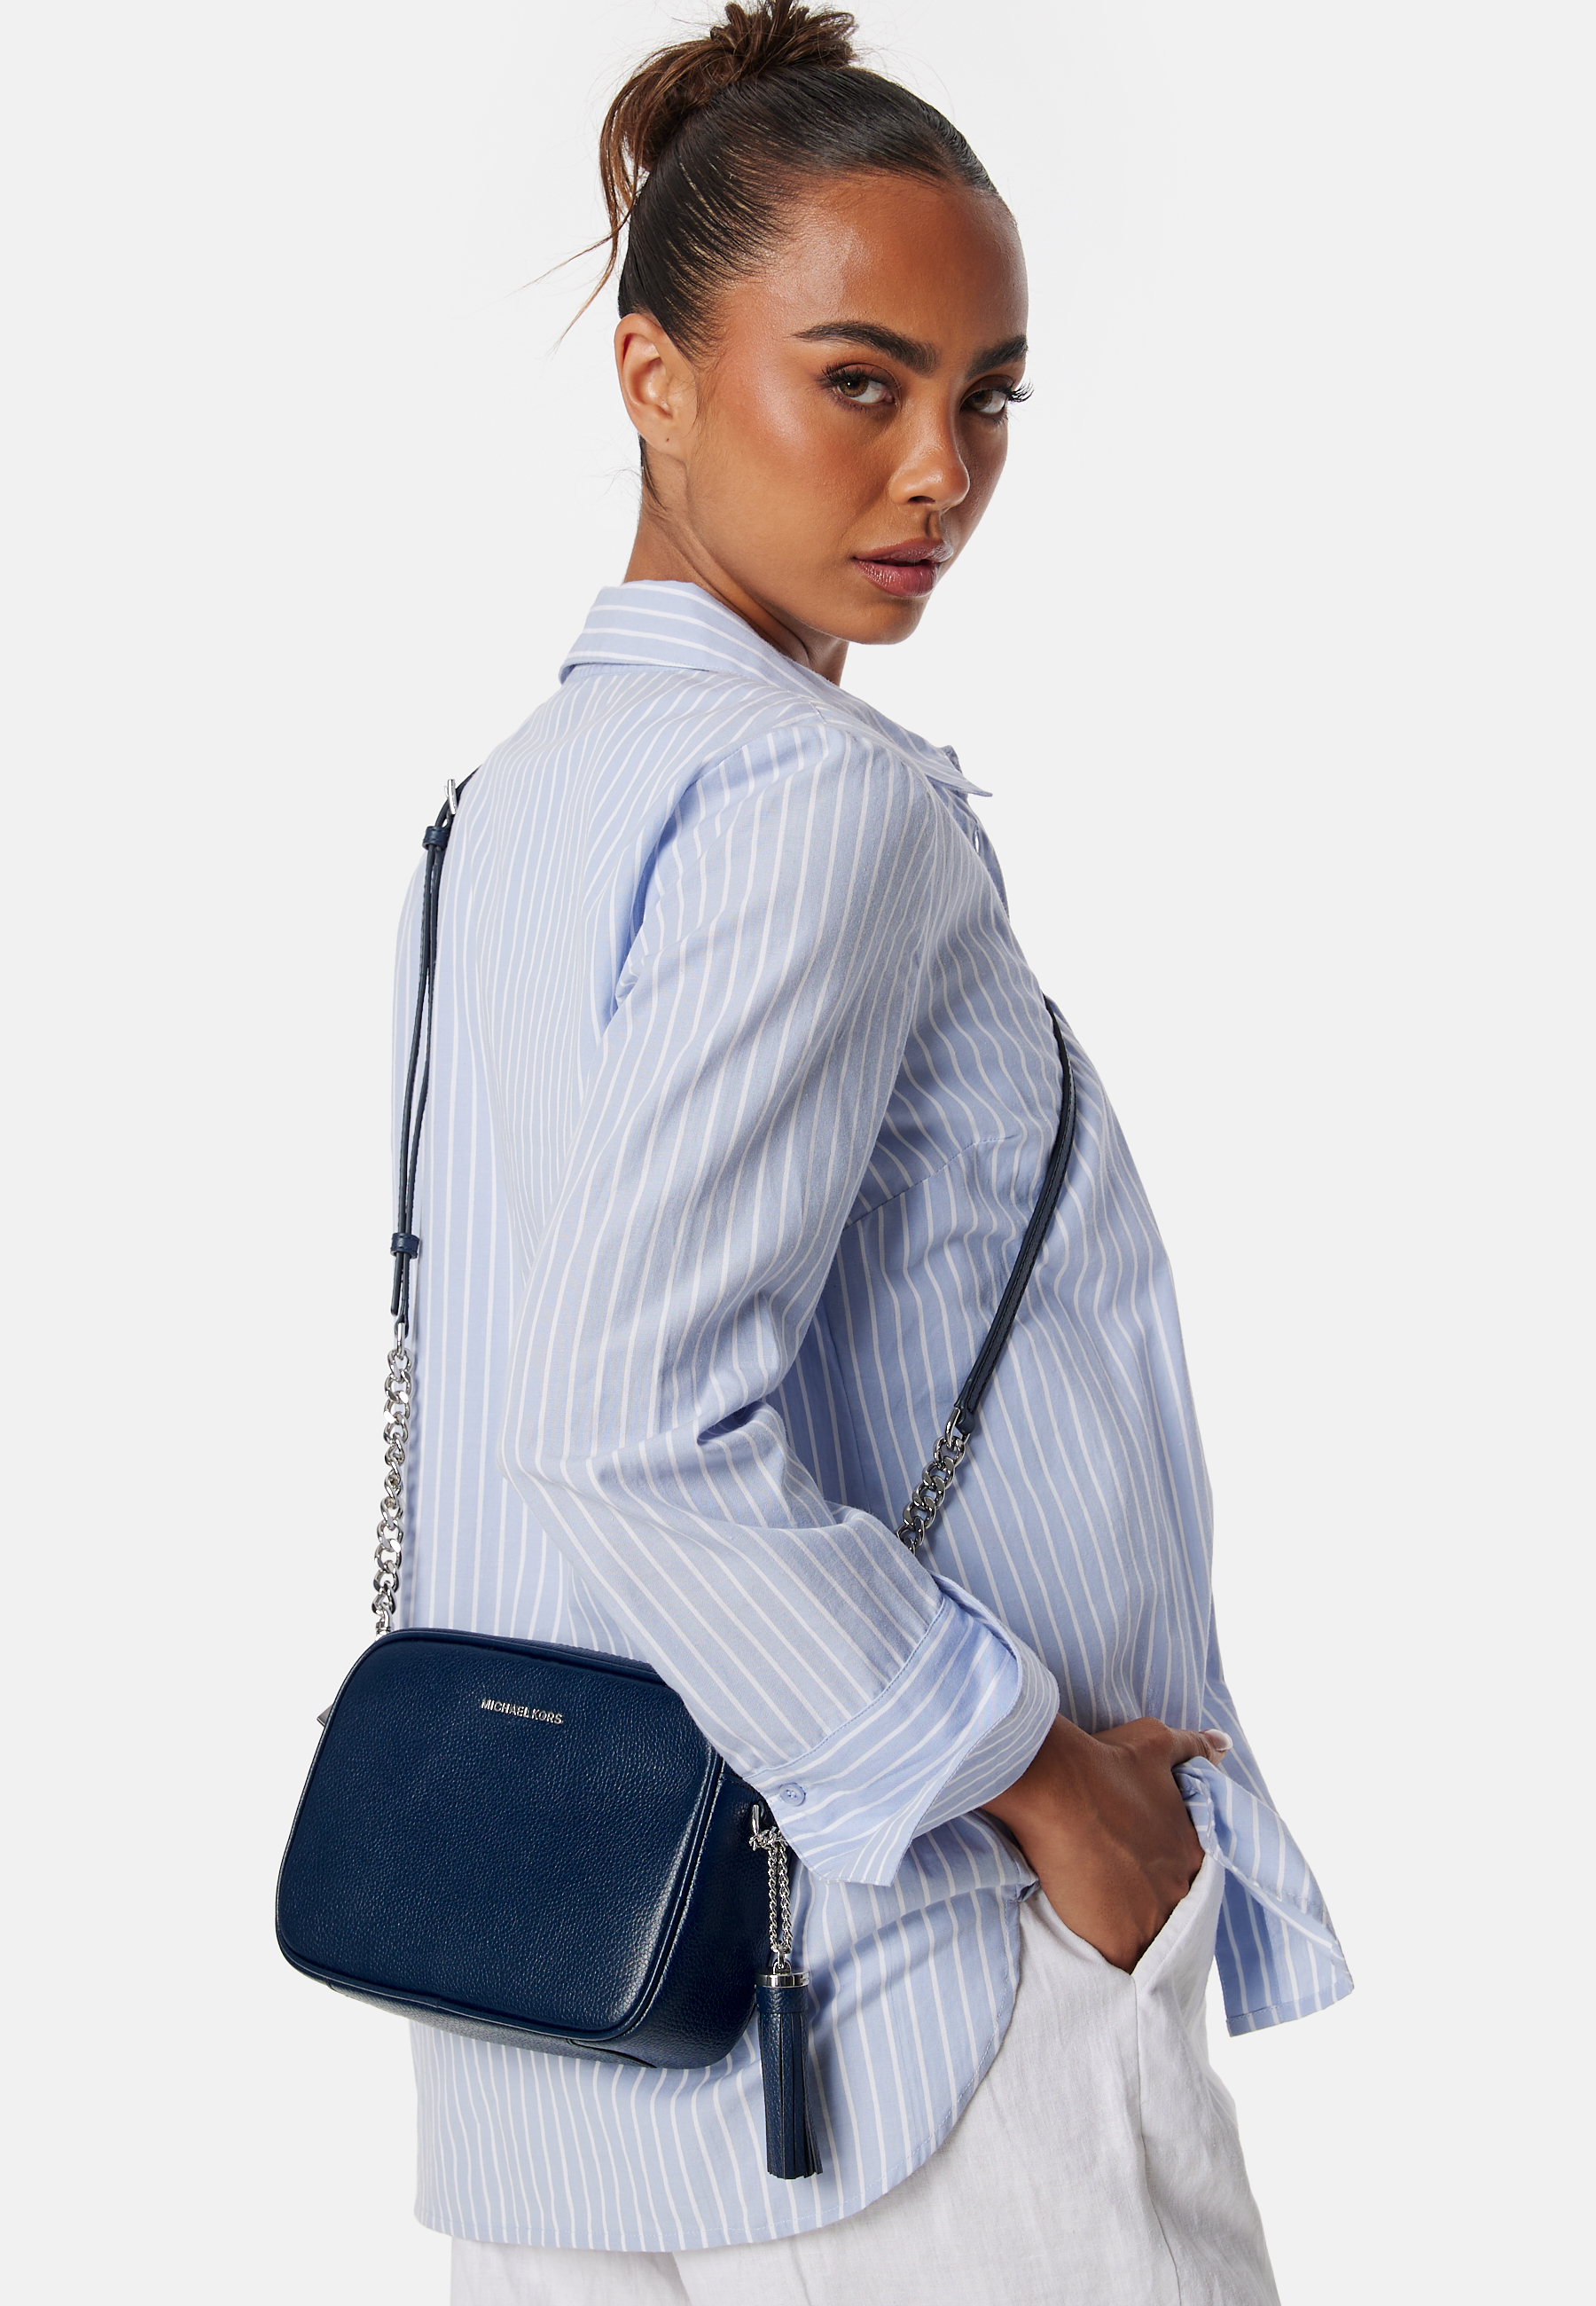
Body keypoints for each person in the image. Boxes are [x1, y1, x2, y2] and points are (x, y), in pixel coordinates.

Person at [396, 5, 1351, 2300]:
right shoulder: (816, 800)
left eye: (988, 396)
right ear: (654, 378)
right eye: (861, 382)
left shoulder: (507, 809)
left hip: (549, 2011)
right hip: (898, 2005)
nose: (942, 471)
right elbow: (624, 1422)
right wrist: (1037, 1778)